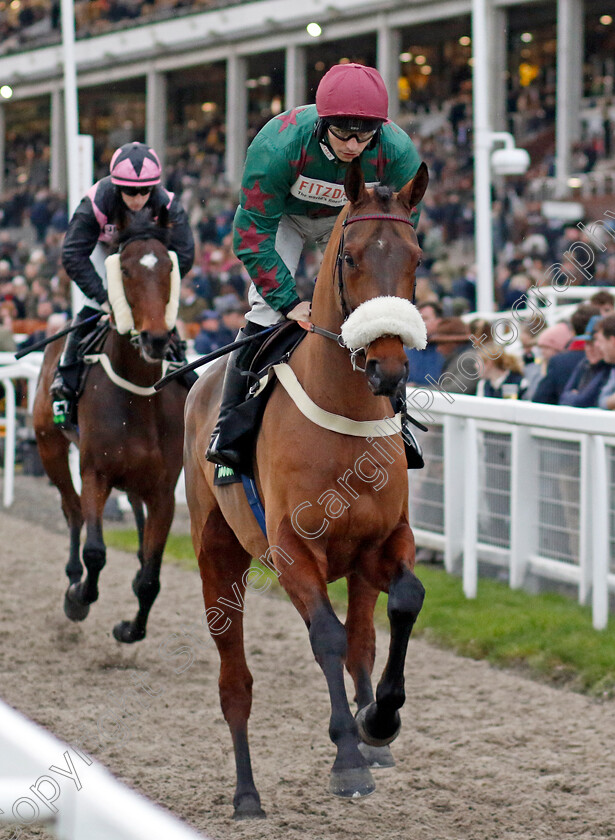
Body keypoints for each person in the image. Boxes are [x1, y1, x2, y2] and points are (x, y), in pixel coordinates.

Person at [206, 63, 424, 467]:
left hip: (349, 216)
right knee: (266, 307)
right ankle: (229, 426)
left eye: (365, 134)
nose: (354, 145)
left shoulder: (398, 152)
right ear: (324, 123)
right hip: (283, 218)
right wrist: (289, 300)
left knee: (374, 303)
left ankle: (399, 417)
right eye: (344, 132)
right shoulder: (277, 145)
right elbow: (251, 234)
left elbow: (400, 230)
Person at [50, 141, 195, 426]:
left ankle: (179, 360)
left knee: (156, 309)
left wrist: (155, 291)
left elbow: (185, 254)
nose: (138, 197)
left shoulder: (167, 204)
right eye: (130, 191)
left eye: (145, 190)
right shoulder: (96, 202)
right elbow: (72, 254)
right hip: (103, 252)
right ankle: (65, 377)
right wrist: (105, 298)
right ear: (117, 187)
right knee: (92, 305)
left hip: (145, 258)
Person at [559, 315, 610, 408]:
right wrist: (575, 396)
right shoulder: (584, 363)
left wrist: (575, 395)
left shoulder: (608, 368)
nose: (589, 349)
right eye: (587, 344)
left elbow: (584, 400)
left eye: (593, 344)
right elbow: (563, 396)